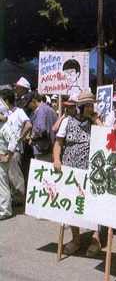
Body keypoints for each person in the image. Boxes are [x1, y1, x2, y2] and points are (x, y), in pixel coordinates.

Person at [52, 91, 102, 256]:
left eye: (91, 105)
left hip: (91, 169)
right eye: (86, 105)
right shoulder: (67, 121)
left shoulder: (94, 122)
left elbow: (106, 138)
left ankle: (95, 238)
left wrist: (96, 120)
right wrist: (57, 160)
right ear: (79, 107)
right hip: (70, 169)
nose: (89, 107)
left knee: (93, 204)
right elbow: (58, 144)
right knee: (72, 204)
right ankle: (76, 238)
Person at [0, 89, 32, 219]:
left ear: (6, 100)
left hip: (13, 150)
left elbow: (28, 125)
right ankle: (12, 202)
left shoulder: (19, 112)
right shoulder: (5, 115)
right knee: (7, 179)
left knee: (15, 177)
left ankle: (20, 201)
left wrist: (20, 138)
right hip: (7, 150)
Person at [26, 92, 58, 162]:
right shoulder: (48, 109)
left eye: (28, 104)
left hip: (43, 149)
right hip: (51, 147)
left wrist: (32, 137)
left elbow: (41, 129)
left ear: (33, 101)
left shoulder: (41, 110)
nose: (28, 106)